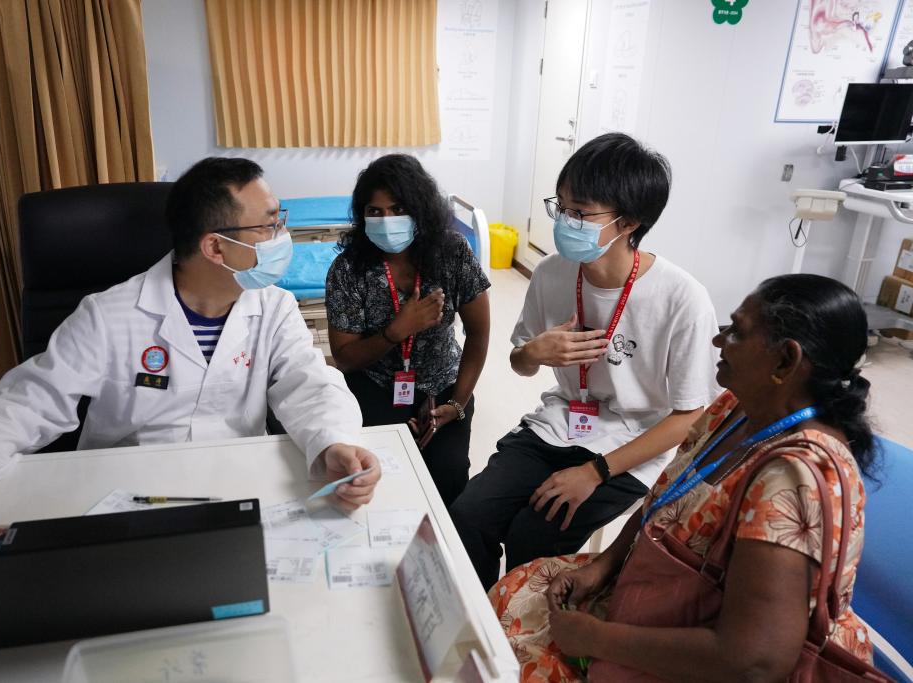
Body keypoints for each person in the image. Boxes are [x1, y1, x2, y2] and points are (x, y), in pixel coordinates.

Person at [0, 157, 381, 564]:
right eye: (269, 224)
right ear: (215, 246)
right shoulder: (110, 314)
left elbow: (310, 383)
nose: (281, 235)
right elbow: (23, 403)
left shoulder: (273, 307)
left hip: (233, 488)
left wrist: (333, 441)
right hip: (124, 498)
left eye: (279, 220)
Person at [490, 274, 878, 682]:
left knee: (507, 661)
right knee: (511, 595)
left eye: (737, 332)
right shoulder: (735, 408)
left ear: (785, 360)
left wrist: (596, 639)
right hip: (661, 593)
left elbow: (754, 661)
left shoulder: (794, 482)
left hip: (710, 657)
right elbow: (666, 501)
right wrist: (602, 567)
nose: (718, 340)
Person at [449, 133, 721, 589]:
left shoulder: (681, 298)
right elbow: (520, 363)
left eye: (580, 213)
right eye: (561, 207)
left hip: (633, 443)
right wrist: (532, 353)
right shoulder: (552, 273)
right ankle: (483, 616)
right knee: (467, 516)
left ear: (628, 221)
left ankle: (522, 624)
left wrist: (596, 472)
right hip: (560, 423)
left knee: (533, 537)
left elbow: (690, 416)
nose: (564, 222)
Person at [326, 154, 490, 506]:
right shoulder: (348, 268)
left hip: (444, 385)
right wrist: (395, 332)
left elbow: (478, 334)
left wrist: (457, 403)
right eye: (375, 211)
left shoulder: (453, 253)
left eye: (398, 209)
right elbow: (345, 358)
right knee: (378, 477)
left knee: (448, 477)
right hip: (374, 384)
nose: (387, 221)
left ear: (420, 209)